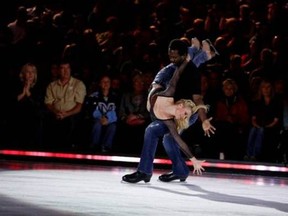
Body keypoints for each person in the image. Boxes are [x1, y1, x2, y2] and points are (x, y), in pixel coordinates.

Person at [122, 38, 216, 183]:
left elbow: (198, 100)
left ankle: (144, 171)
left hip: (186, 110)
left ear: (184, 56)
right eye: (170, 56)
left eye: (175, 56)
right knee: (166, 137)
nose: (172, 59)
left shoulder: (192, 74)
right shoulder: (170, 74)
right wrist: (155, 93)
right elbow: (167, 82)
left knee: (156, 132)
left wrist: (204, 121)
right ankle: (180, 171)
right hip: (168, 103)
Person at [44, 60, 87, 150]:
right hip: (55, 113)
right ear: (59, 71)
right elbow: (48, 103)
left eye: (68, 68)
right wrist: (56, 112)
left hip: (72, 115)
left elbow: (79, 106)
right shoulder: (52, 85)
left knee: (69, 123)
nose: (66, 71)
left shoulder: (78, 84)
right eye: (63, 68)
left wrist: (66, 114)